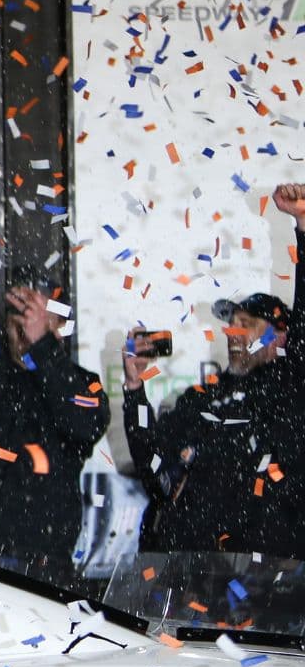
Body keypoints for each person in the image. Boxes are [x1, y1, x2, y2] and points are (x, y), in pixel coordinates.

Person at [123, 182, 305, 558]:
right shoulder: (200, 397)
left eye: (248, 325)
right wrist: (134, 386)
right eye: (232, 324)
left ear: (280, 338)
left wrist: (303, 225)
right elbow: (153, 469)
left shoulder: (289, 390)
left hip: (258, 581)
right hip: (184, 572)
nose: (234, 334)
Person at [0, 270, 107, 586]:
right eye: (19, 315)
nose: (26, 327)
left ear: (59, 325)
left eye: (38, 317)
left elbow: (82, 425)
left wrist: (43, 347)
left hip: (40, 564)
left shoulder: (85, 385)